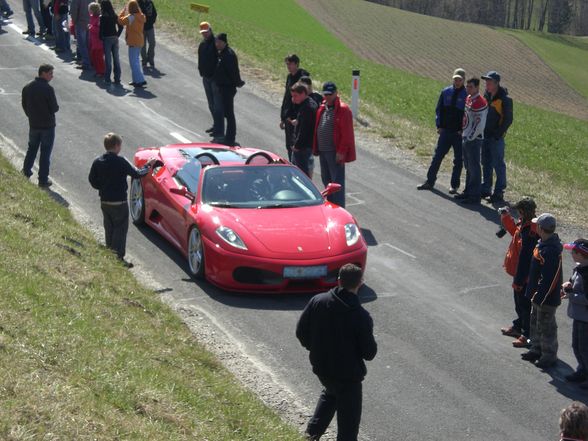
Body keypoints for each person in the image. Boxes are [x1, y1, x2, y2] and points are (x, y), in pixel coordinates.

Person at [296, 264, 377, 441]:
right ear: (360, 283)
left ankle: (312, 434)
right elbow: (369, 353)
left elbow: (301, 332)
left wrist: (316, 348)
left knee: (330, 392)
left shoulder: (317, 301)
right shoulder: (360, 316)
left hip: (322, 367)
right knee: (348, 422)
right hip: (348, 377)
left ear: (338, 280)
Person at [88, 133, 154, 267]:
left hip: (105, 201)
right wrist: (148, 165)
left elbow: (92, 180)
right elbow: (137, 173)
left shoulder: (98, 161)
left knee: (109, 227)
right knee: (120, 229)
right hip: (119, 203)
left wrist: (102, 188)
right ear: (117, 146)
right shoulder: (121, 161)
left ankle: (109, 254)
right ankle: (118, 259)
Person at [521, 213, 563, 369]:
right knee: (536, 323)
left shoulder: (550, 250)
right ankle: (536, 349)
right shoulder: (543, 244)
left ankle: (549, 356)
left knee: (547, 328)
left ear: (540, 228)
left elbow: (550, 279)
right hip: (537, 295)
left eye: (536, 224)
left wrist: (541, 296)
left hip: (546, 299)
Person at [417, 68, 466, 194]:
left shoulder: (467, 95)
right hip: (445, 132)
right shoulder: (446, 92)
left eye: (459, 79)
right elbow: (439, 110)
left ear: (463, 80)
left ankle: (454, 186)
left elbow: (468, 115)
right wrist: (439, 125)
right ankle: (429, 181)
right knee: (437, 157)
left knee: (458, 160)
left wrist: (463, 130)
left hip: (459, 134)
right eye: (455, 79)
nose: (457, 81)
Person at [498, 198, 538, 348]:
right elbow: (515, 232)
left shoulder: (532, 232)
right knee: (519, 304)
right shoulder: (524, 223)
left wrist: (519, 281)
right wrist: (506, 218)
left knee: (525, 306)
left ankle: (526, 336)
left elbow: (525, 259)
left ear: (523, 211)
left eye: (518, 210)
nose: (517, 212)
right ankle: (518, 327)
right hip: (519, 273)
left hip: (525, 276)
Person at [312, 82, 356, 208]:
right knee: (327, 183)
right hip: (323, 151)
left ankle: (339, 209)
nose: (328, 97)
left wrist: (341, 152)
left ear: (336, 93)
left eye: (330, 94)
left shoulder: (343, 109)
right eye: (326, 94)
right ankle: (331, 208)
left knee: (337, 184)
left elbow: (346, 134)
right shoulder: (323, 107)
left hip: (334, 152)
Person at [21, 64, 59, 188]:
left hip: (34, 124)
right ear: (43, 73)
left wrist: (31, 116)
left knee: (31, 149)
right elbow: (54, 108)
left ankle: (26, 171)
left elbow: (24, 105)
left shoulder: (27, 87)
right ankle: (43, 179)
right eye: (50, 73)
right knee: (45, 153)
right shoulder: (48, 89)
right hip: (47, 126)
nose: (52, 76)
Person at [480, 71, 513, 203]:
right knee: (486, 163)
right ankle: (486, 189)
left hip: (496, 138)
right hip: (484, 135)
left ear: (496, 83)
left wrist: (497, 135)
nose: (487, 84)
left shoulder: (505, 100)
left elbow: (508, 120)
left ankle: (499, 192)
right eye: (486, 81)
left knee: (498, 164)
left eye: (489, 81)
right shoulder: (486, 95)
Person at [455, 77, 487, 205]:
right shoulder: (468, 98)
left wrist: (470, 137)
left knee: (474, 168)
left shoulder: (480, 102)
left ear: (477, 88)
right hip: (466, 136)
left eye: (471, 87)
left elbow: (480, 124)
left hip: (474, 140)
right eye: (467, 86)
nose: (468, 89)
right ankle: (468, 191)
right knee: (468, 166)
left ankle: (474, 196)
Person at [561, 239, 588, 386]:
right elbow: (574, 283)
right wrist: (568, 284)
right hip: (579, 316)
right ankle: (582, 370)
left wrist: (571, 295)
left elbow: (586, 298)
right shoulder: (579, 268)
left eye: (574, 252)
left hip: (585, 318)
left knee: (585, 348)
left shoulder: (587, 274)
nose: (571, 253)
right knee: (576, 346)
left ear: (582, 255)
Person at [211, 32, 245, 146]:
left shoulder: (228, 55)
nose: (217, 44)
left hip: (227, 88)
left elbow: (234, 72)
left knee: (229, 114)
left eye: (219, 42)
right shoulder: (223, 53)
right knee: (226, 112)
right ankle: (228, 136)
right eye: (216, 42)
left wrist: (238, 82)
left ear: (224, 42)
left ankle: (230, 138)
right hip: (223, 87)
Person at [280, 54, 309, 161]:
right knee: (289, 145)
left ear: (296, 64)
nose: (288, 66)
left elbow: (305, 99)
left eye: (290, 64)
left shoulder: (303, 77)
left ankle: (298, 169)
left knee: (297, 145)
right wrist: (283, 117)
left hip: (297, 117)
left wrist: (299, 117)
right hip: (288, 116)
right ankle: (292, 166)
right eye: (287, 64)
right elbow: (286, 97)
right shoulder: (289, 77)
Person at [290, 82, 317, 177]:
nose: (293, 99)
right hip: (305, 146)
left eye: (295, 96)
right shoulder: (308, 104)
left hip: (303, 148)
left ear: (303, 93)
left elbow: (304, 130)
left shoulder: (307, 108)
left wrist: (297, 145)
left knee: (301, 175)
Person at [118, 0, 146, 88]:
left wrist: (123, 10)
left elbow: (120, 21)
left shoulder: (131, 17)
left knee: (133, 62)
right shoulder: (140, 16)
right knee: (136, 61)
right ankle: (136, 80)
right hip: (140, 40)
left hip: (133, 41)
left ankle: (140, 80)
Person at [197, 21, 217, 134]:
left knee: (217, 104)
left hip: (214, 78)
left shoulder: (215, 43)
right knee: (211, 103)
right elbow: (200, 59)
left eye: (206, 32)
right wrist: (201, 71)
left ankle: (219, 127)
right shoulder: (202, 44)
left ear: (210, 30)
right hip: (205, 77)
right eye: (203, 32)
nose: (205, 34)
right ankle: (216, 124)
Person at [99, 0, 122, 85]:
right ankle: (117, 78)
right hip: (114, 38)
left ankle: (107, 77)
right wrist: (117, 35)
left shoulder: (103, 17)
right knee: (116, 58)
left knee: (108, 59)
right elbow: (121, 27)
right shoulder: (114, 15)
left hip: (107, 39)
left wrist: (100, 38)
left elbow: (101, 30)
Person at [70, 0, 91, 69]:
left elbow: (74, 10)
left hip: (80, 23)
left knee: (82, 45)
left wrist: (75, 21)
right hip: (89, 23)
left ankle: (86, 63)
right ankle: (89, 61)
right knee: (87, 44)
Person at [88, 2, 105, 77]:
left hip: (99, 42)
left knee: (99, 58)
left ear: (93, 10)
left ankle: (101, 71)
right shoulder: (91, 17)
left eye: (90, 9)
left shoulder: (99, 18)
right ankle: (98, 70)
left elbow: (98, 30)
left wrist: (90, 27)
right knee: (93, 56)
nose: (89, 10)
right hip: (93, 41)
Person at [138, 0, 156, 68]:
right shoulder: (137, 3)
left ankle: (150, 59)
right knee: (143, 45)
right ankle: (144, 60)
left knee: (152, 43)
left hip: (150, 27)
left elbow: (154, 13)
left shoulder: (150, 2)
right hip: (141, 28)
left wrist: (152, 22)